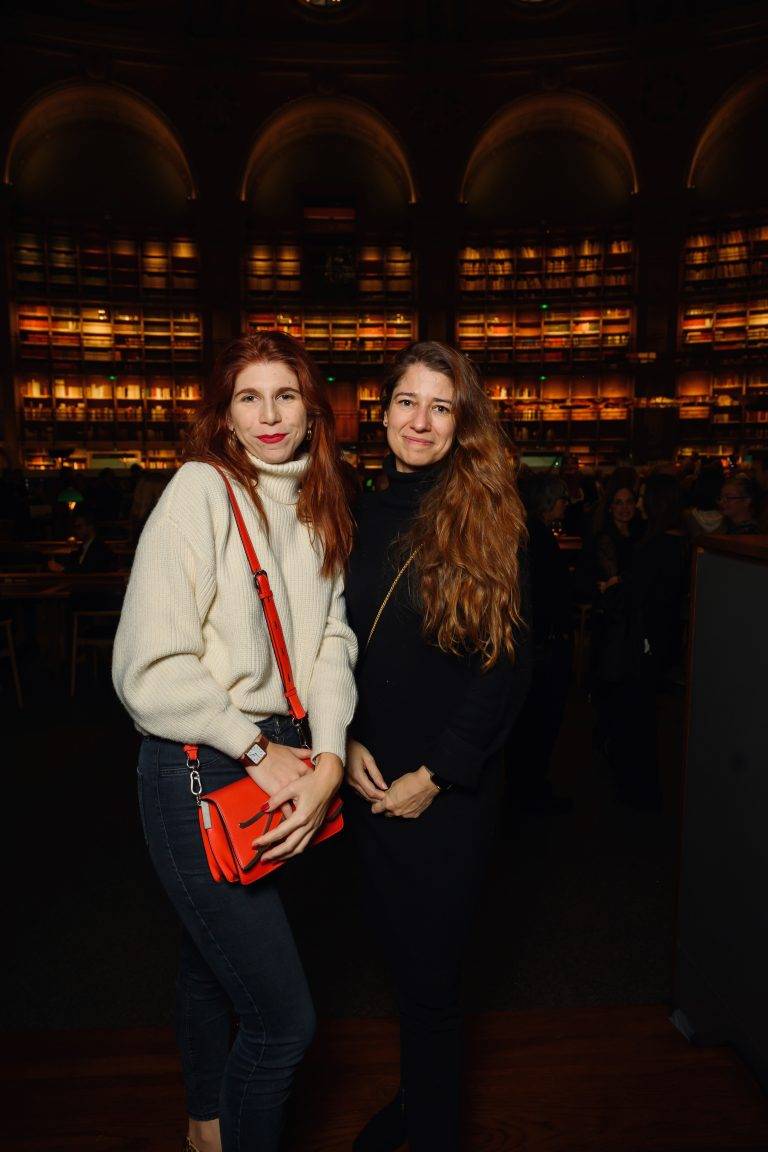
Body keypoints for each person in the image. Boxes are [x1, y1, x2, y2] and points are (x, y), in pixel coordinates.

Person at [112, 332, 358, 1152]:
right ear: (223, 414)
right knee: (284, 1022)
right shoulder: (199, 492)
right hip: (202, 761)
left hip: (284, 759)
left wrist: (326, 758)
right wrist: (257, 749)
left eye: (285, 395)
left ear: (311, 407)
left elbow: (330, 643)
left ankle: (207, 1123)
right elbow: (147, 668)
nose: (269, 416)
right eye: (248, 398)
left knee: (208, 957)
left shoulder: (319, 501)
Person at [343, 341, 531, 1152]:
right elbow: (336, 642)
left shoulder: (487, 511)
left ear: (463, 423)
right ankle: (424, 1105)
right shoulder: (356, 511)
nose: (419, 421)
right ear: (381, 412)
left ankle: (434, 1131)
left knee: (434, 982)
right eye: (407, 402)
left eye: (441, 406)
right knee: (403, 967)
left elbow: (509, 669)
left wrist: (440, 774)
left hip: (444, 792)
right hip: (372, 780)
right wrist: (342, 737)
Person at [507, 472, 573, 814]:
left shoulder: (526, 531)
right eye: (562, 498)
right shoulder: (538, 537)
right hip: (541, 648)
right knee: (539, 725)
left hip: (534, 646)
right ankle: (530, 798)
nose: (567, 504)